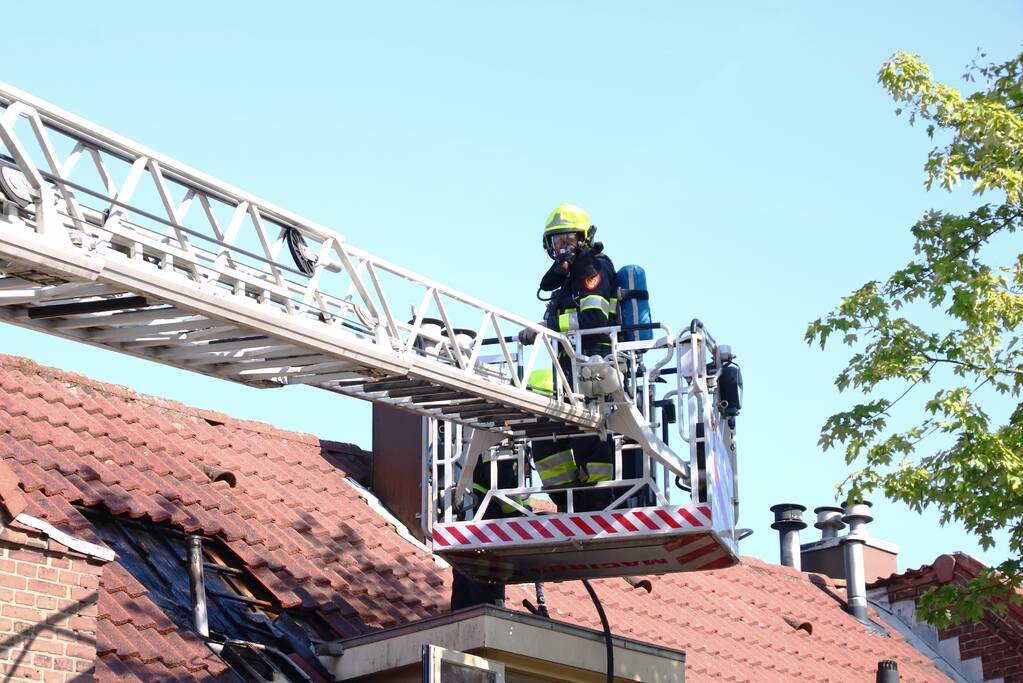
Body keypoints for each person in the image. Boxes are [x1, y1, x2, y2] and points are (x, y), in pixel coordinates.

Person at [519, 204, 619, 512]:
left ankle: (599, 497)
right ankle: (566, 498)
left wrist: (548, 325)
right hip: (567, 371)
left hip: (594, 367)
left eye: (569, 239)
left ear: (584, 238)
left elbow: (594, 318)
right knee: (545, 436)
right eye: (557, 240)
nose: (562, 246)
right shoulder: (567, 278)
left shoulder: (593, 269)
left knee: (587, 434)